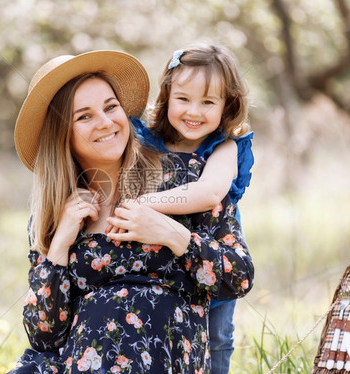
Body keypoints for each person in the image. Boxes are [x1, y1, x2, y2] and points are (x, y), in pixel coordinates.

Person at [7, 50, 254, 373]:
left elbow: (238, 278)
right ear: (61, 134)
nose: (106, 122)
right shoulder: (58, 213)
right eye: (85, 116)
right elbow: (43, 335)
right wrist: (59, 246)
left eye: (111, 107)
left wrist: (174, 235)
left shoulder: (187, 179)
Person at [107, 42, 254, 374]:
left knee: (216, 341)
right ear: (167, 96)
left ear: (226, 105)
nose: (194, 111)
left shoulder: (225, 147)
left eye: (208, 102)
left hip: (212, 262)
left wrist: (145, 203)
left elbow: (208, 192)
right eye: (183, 99)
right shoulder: (145, 141)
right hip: (162, 275)